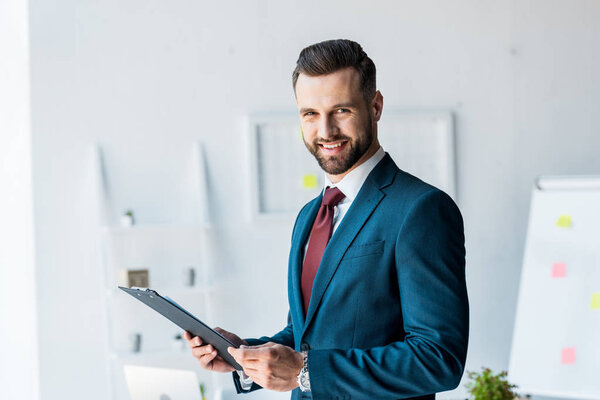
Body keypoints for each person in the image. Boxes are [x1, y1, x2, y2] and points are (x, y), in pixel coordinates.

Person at [183, 39, 469, 400]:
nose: (326, 131)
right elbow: (307, 335)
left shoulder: (421, 209)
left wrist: (305, 372)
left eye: (342, 110)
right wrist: (243, 356)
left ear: (375, 106)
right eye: (310, 114)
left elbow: (439, 359)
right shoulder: (309, 215)